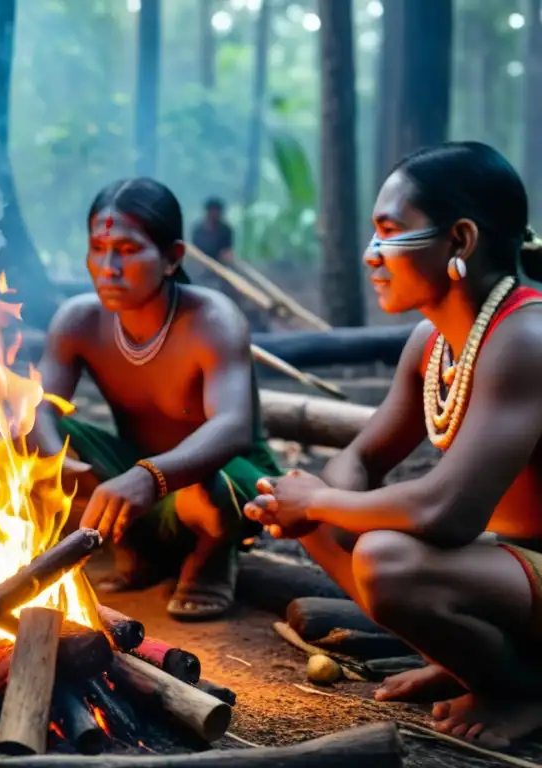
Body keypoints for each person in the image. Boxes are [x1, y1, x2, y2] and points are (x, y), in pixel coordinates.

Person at [244, 141, 542, 748]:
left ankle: (521, 688)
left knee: (383, 558)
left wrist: (325, 504)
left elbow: (446, 513)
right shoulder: (430, 344)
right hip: (515, 574)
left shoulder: (526, 337)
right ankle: (475, 664)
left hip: (523, 569)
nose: (371, 254)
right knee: (333, 526)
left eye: (389, 232)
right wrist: (325, 508)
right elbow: (358, 457)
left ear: (459, 241)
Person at [32, 178, 281, 620]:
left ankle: (211, 556)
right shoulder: (77, 321)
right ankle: (136, 544)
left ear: (172, 258)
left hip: (221, 478)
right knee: (28, 435)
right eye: (97, 248)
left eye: (127, 251)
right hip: (134, 473)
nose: (108, 267)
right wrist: (58, 463)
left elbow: (231, 427)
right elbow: (39, 409)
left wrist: (150, 476)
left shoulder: (211, 318)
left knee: (205, 485)